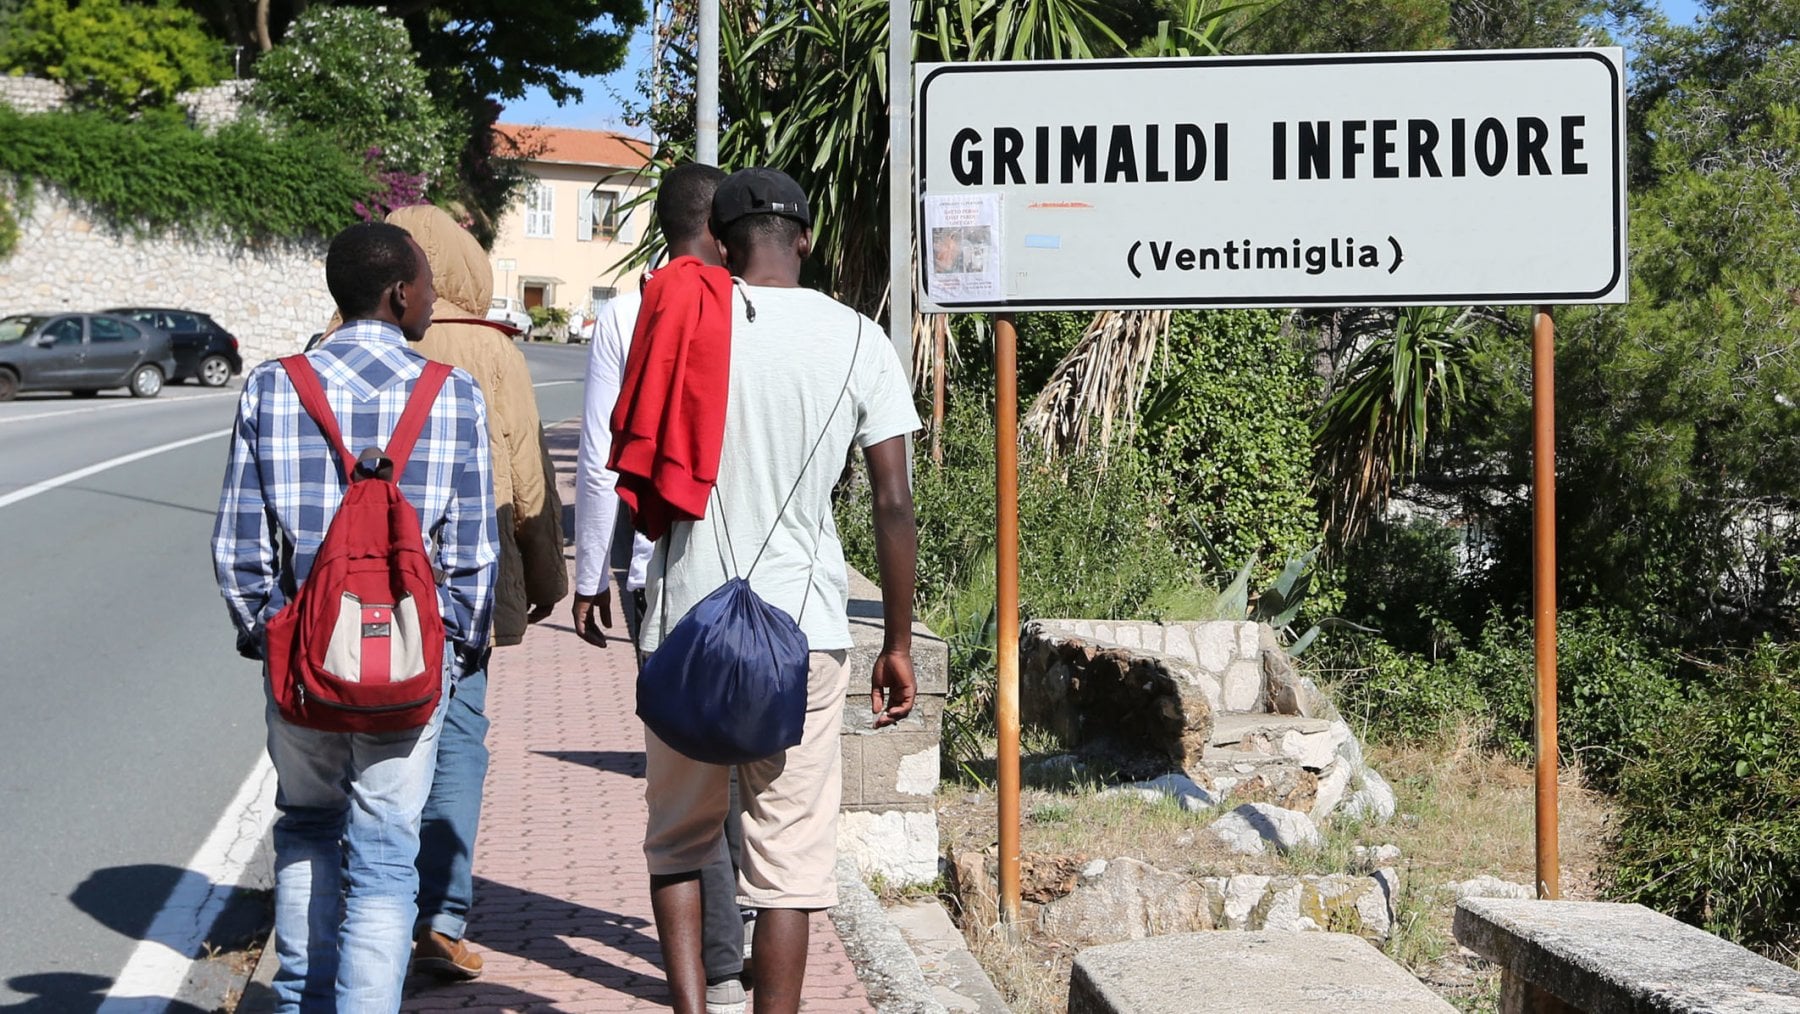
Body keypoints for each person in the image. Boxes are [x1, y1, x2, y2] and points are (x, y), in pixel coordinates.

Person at [634, 167, 920, 1014]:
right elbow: (893, 503)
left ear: (720, 246)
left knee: (679, 841)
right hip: (806, 632)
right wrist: (897, 643)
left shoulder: (687, 320)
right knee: (789, 865)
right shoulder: (859, 340)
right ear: (805, 238)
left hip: (687, 622)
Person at [212, 221, 498, 1012]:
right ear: (399, 294)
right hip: (408, 665)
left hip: (305, 659)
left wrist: (269, 634)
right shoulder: (452, 393)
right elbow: (473, 553)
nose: (435, 300)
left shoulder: (273, 386)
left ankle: (302, 998)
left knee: (307, 826)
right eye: (429, 287)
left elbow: (240, 545)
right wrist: (453, 650)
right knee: (385, 855)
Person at [573, 162, 750, 1014]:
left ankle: (719, 968)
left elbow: (602, 456)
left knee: (686, 785)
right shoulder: (758, 307)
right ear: (724, 229)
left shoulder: (627, 311)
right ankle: (747, 943)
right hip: (761, 578)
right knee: (756, 774)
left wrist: (588, 575)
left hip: (666, 575)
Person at [382, 204, 569, 980]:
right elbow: (527, 477)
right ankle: (440, 917)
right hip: (465, 563)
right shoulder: (492, 349)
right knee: (459, 732)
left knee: (367, 738)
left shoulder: (337, 338)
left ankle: (368, 913)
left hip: (363, 572)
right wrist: (547, 578)